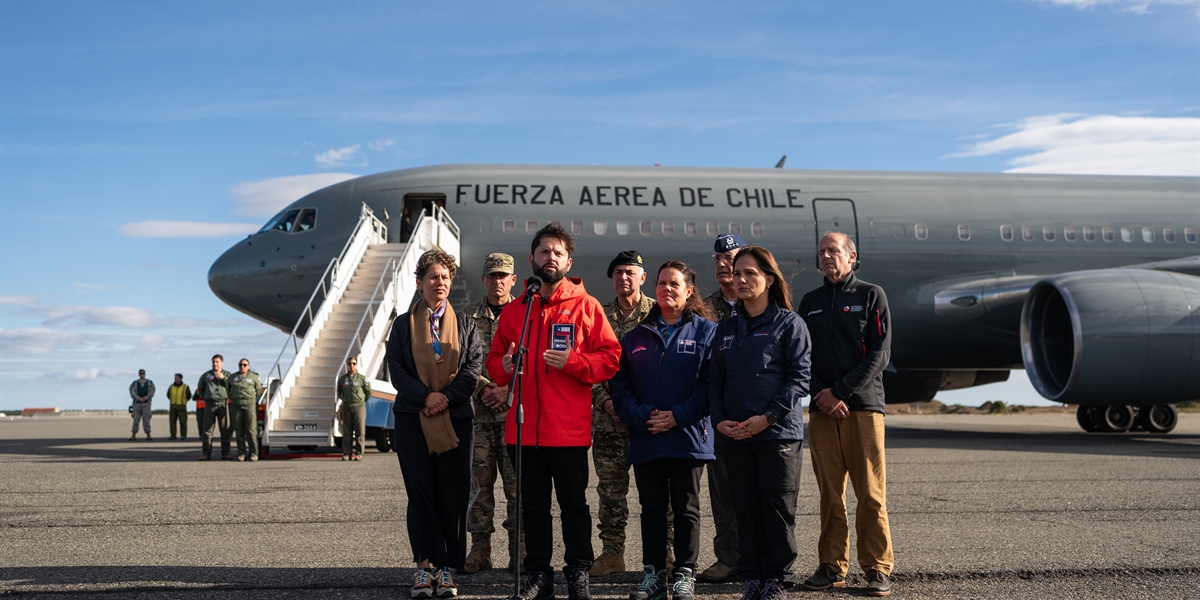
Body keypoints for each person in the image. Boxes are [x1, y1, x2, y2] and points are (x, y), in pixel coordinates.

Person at [485, 222, 622, 600]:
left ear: (568, 260)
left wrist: (574, 362)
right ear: (532, 259)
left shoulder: (587, 307)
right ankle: (538, 575)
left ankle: (578, 572)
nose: (550, 258)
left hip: (568, 431)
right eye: (544, 252)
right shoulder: (517, 310)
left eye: (557, 253)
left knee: (574, 506)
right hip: (522, 430)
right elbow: (494, 359)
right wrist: (505, 367)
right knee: (533, 509)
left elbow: (610, 359)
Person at [609, 261, 717, 600]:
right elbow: (620, 386)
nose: (667, 289)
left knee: (686, 509)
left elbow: (711, 385)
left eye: (675, 284)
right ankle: (653, 575)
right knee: (652, 508)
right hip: (647, 436)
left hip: (687, 436)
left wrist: (677, 416)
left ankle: (685, 573)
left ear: (688, 291)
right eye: (662, 283)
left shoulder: (706, 332)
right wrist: (642, 416)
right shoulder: (635, 336)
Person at [710, 246, 811, 600]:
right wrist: (720, 421)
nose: (740, 280)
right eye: (736, 274)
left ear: (769, 279)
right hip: (735, 435)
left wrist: (766, 419)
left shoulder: (790, 324)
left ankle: (777, 579)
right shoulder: (724, 330)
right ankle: (752, 578)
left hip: (777, 436)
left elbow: (799, 380)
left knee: (776, 509)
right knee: (745, 510)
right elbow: (714, 382)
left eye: (749, 273)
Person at [798, 232, 895, 598]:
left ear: (851, 256)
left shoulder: (871, 295)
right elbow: (800, 357)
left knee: (870, 493)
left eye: (833, 251)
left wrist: (839, 391)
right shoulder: (810, 302)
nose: (826, 256)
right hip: (823, 411)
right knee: (829, 495)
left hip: (864, 408)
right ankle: (832, 567)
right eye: (821, 252)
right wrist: (822, 395)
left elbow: (879, 354)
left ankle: (877, 568)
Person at [386, 249, 483, 600]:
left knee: (452, 496)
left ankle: (446, 570)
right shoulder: (402, 325)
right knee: (421, 495)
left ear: (450, 282)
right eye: (432, 277)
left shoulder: (468, 324)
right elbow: (395, 369)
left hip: (456, 420)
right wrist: (426, 396)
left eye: (444, 277)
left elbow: (473, 369)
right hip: (413, 418)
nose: (439, 282)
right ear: (419, 283)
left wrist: (445, 398)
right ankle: (424, 569)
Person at [589, 250, 657, 578]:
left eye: (629, 272)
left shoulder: (659, 313)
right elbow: (586, 365)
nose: (623, 278)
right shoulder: (597, 315)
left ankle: (664, 556)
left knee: (659, 494)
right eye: (617, 273)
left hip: (648, 421)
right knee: (611, 492)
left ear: (643, 277)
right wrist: (605, 401)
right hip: (608, 422)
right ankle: (612, 553)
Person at [461, 253, 522, 574]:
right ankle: (480, 550)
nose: (497, 281)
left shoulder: (525, 314)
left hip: (515, 417)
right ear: (483, 280)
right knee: (479, 488)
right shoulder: (467, 317)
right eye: (492, 276)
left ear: (513, 280)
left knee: (518, 488)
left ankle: (520, 553)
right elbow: (459, 361)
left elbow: (534, 359)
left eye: (504, 276)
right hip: (479, 417)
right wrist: (486, 388)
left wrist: (507, 391)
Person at [698, 233, 747, 584]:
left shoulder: (763, 304)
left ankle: (764, 560)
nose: (721, 264)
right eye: (716, 259)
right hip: (720, 416)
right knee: (724, 492)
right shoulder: (704, 309)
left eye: (728, 257)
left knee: (764, 491)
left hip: (759, 415)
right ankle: (728, 558)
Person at [197, 355, 234, 461]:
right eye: (213, 362)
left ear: (222, 363)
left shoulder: (228, 375)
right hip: (210, 405)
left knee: (225, 430)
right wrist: (206, 396)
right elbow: (200, 387)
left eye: (217, 362)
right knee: (207, 430)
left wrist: (223, 378)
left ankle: (226, 453)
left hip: (223, 404)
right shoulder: (206, 375)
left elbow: (232, 386)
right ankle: (206, 453)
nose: (215, 364)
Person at [228, 359, 263, 462]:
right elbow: (228, 389)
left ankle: (253, 453)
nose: (242, 367)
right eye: (240, 365)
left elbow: (258, 390)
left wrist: (250, 399)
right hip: (236, 406)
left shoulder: (254, 377)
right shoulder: (233, 377)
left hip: (249, 405)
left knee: (251, 430)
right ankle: (242, 453)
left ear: (248, 366)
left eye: (244, 365)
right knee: (238, 430)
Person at [338, 356, 372, 461]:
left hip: (359, 407)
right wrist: (345, 401)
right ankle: (346, 453)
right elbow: (339, 393)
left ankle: (358, 453)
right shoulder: (343, 379)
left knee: (359, 431)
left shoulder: (362, 379)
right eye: (349, 363)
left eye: (353, 363)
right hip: (347, 407)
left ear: (356, 365)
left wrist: (360, 400)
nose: (351, 365)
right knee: (347, 432)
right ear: (347, 365)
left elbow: (368, 393)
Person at [128, 369, 156, 441]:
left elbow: (152, 392)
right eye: (140, 373)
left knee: (146, 420)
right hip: (137, 404)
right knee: (136, 420)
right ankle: (133, 434)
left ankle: (148, 434)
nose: (142, 374)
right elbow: (132, 392)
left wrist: (145, 398)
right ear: (139, 374)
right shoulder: (135, 383)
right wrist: (139, 398)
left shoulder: (150, 383)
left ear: (145, 374)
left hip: (146, 404)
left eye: (143, 373)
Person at [165, 374, 191, 441]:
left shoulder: (185, 387)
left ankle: (183, 435)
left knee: (183, 422)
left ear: (180, 378)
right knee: (172, 422)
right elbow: (168, 395)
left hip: (182, 406)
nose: (175, 379)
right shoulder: (171, 386)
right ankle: (173, 435)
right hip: (173, 406)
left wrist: (184, 401)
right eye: (175, 377)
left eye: (176, 377)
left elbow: (189, 396)